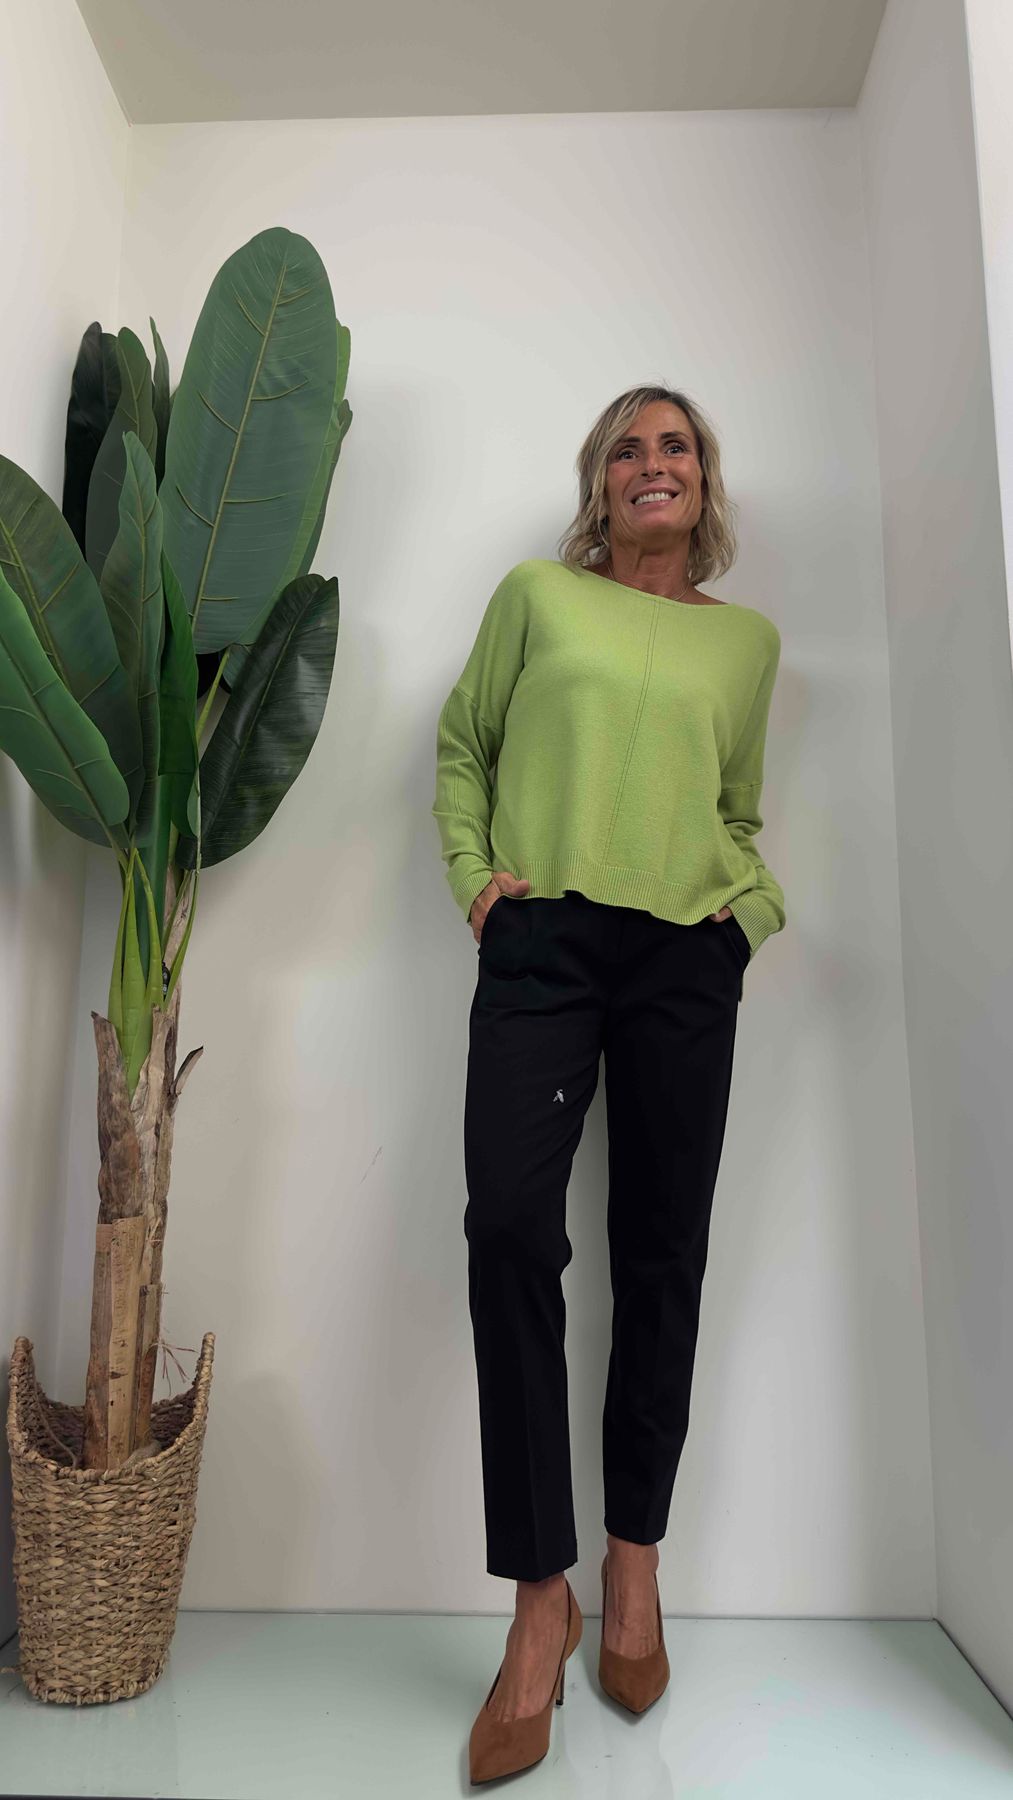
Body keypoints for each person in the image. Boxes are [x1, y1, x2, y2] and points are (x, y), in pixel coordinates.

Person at [431, 385, 786, 1784]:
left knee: (662, 1249)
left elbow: (737, 810)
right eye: (628, 448)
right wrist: (478, 882)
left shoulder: (747, 645)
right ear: (599, 484)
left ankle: (632, 1560)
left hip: (686, 953)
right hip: (544, 941)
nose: (654, 464)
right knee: (512, 1230)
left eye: (675, 445)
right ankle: (542, 1599)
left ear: (703, 482)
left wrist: (745, 917)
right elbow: (463, 743)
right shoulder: (538, 598)